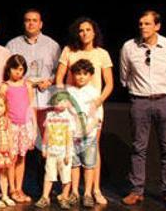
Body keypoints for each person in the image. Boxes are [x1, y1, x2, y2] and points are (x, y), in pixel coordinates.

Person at [119, 10, 166, 209]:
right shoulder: (129, 47)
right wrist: (140, 92)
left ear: (157, 26)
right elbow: (124, 76)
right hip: (140, 102)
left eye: (147, 24)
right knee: (139, 148)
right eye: (140, 24)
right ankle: (136, 191)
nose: (143, 27)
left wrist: (164, 91)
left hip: (165, 101)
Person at [55, 17, 112, 206]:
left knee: (92, 148)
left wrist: (98, 102)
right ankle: (73, 191)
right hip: (71, 109)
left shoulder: (101, 54)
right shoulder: (69, 50)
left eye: (88, 30)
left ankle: (94, 190)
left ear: (94, 32)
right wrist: (63, 99)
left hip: (93, 107)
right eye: (81, 30)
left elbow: (109, 83)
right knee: (72, 150)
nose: (84, 33)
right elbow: (60, 77)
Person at [6, 9, 61, 113]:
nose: (31, 23)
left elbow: (59, 71)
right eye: (28, 20)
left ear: (40, 24)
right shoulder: (12, 45)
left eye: (34, 20)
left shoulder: (53, 46)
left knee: (45, 128)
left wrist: (49, 81)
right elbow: (7, 73)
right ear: (24, 23)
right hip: (20, 98)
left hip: (46, 98)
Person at [0, 54, 36, 204]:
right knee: (11, 159)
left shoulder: (27, 85)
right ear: (9, 69)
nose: (18, 72)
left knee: (21, 157)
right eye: (15, 69)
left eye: (21, 69)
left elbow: (31, 107)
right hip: (10, 127)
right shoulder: (5, 86)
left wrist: (33, 129)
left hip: (24, 127)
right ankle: (11, 189)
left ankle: (19, 188)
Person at [66, 60, 103, 209]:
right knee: (74, 164)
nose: (81, 77)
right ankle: (74, 192)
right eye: (78, 74)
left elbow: (97, 115)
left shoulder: (94, 92)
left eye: (84, 74)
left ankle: (87, 193)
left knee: (89, 165)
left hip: (89, 135)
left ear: (90, 75)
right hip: (73, 135)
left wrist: (87, 130)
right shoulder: (69, 91)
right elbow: (67, 113)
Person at [35, 92, 75, 209]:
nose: (61, 104)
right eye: (58, 101)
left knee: (65, 176)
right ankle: (45, 197)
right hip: (52, 152)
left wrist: (68, 153)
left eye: (63, 101)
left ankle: (64, 197)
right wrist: (44, 147)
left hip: (64, 153)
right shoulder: (50, 116)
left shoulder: (69, 117)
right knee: (49, 175)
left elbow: (69, 137)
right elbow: (46, 133)